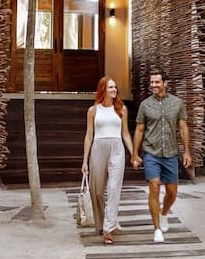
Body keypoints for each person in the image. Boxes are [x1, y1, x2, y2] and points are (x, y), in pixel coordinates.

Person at [131, 69, 191, 243]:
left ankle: (164, 213)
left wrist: (187, 151)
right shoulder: (145, 105)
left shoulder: (177, 103)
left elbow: (183, 128)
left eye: (157, 82)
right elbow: (139, 130)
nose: (153, 85)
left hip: (171, 153)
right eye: (152, 82)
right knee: (154, 186)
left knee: (172, 192)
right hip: (151, 152)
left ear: (165, 83)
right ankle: (157, 229)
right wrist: (134, 154)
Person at [81, 77, 132, 245]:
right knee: (97, 191)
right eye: (110, 87)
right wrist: (85, 161)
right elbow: (89, 136)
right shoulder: (93, 110)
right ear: (103, 89)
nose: (114, 89)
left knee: (113, 189)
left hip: (117, 148)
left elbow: (125, 133)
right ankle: (104, 222)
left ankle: (108, 228)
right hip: (98, 148)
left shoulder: (121, 109)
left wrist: (133, 154)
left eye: (115, 87)